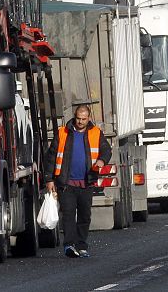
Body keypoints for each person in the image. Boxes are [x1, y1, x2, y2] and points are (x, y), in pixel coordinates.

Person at [45, 104, 112, 258]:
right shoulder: (63, 133)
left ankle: (81, 245)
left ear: (89, 119)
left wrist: (102, 161)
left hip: (86, 182)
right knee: (68, 214)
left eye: (84, 119)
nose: (80, 122)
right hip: (66, 183)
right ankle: (69, 245)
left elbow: (106, 150)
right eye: (78, 118)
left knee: (84, 215)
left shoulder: (96, 133)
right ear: (74, 117)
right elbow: (51, 157)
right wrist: (49, 179)